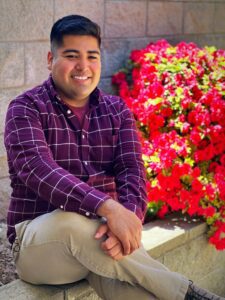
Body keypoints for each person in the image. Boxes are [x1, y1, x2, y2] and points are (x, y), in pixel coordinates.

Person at [4, 15, 224, 300]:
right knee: (69, 224)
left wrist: (128, 217)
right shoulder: (26, 108)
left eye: (92, 56)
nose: (83, 66)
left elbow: (132, 169)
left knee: (133, 289)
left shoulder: (115, 110)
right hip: (40, 248)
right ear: (50, 59)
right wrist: (109, 208)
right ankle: (187, 293)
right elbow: (38, 170)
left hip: (101, 244)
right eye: (71, 55)